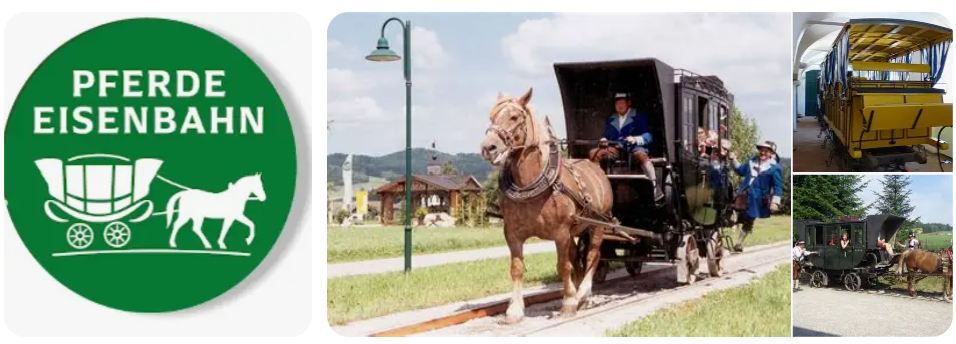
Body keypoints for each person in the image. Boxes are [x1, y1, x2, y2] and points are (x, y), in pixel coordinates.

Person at [589, 92, 661, 200]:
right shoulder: (611, 119)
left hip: (634, 148)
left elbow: (648, 136)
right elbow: (606, 135)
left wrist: (635, 139)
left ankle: (655, 187)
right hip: (616, 149)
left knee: (640, 155)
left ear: (629, 103)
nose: (619, 105)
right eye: (617, 103)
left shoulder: (639, 116)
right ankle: (595, 186)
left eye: (622, 103)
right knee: (594, 153)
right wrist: (604, 139)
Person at [729, 140, 783, 252]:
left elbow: (777, 186)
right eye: (761, 150)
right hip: (743, 194)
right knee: (733, 210)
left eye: (766, 150)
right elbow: (740, 170)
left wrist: (775, 201)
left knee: (749, 220)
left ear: (771, 153)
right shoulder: (751, 161)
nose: (762, 152)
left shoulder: (775, 168)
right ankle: (733, 227)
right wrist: (733, 159)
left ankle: (738, 243)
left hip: (758, 199)